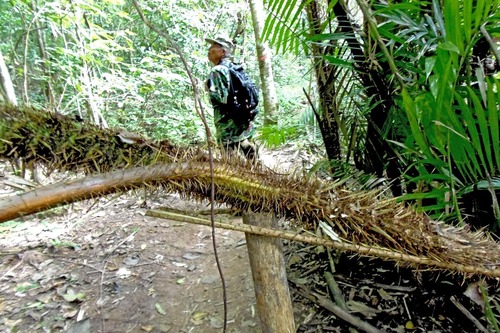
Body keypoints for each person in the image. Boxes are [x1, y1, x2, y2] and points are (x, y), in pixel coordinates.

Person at [205, 36, 258, 162]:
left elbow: (221, 98)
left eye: (213, 48)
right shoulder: (234, 67)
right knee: (241, 141)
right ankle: (255, 165)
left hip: (226, 120)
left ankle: (236, 174)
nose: (209, 50)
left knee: (228, 151)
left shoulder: (217, 70)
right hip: (241, 116)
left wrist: (209, 88)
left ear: (223, 52)